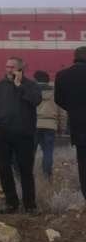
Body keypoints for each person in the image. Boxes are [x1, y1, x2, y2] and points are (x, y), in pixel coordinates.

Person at [0, 57, 42, 214]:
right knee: (4, 169)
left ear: (20, 69)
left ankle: (30, 205)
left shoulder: (31, 85)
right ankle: (11, 203)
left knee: (25, 170)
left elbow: (36, 101)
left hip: (24, 135)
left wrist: (19, 86)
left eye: (11, 67)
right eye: (6, 66)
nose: (8, 69)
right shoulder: (0, 86)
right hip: (2, 134)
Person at [54, 47, 86, 202]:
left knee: (83, 164)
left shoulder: (62, 75)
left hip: (78, 127)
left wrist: (74, 110)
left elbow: (59, 99)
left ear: (75, 57)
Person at [33, 70, 64, 180]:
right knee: (48, 151)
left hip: (34, 125)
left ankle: (27, 173)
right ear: (48, 80)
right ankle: (46, 175)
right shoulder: (55, 93)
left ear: (35, 80)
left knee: (30, 151)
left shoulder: (31, 92)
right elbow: (62, 112)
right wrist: (61, 128)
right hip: (50, 126)